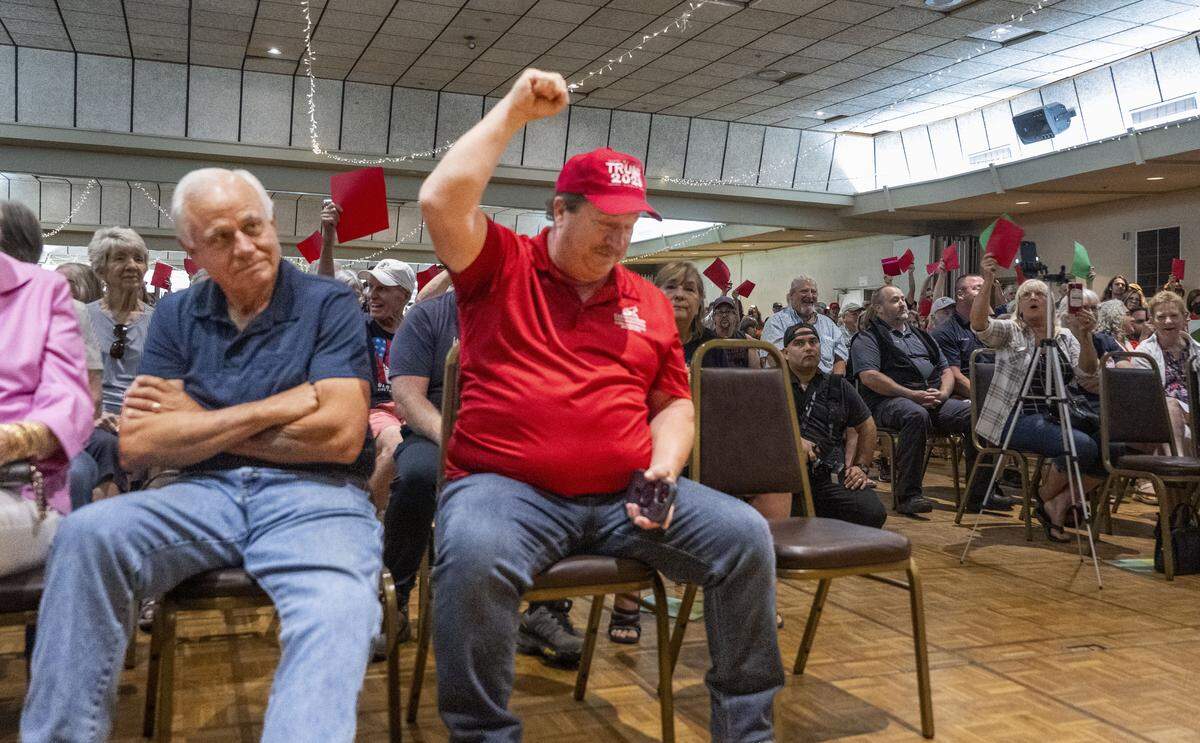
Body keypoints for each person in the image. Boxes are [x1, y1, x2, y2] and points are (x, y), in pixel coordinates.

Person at [418, 68, 782, 742]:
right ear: (560, 211)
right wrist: (512, 112)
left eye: (630, 226)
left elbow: (673, 402)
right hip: (505, 488)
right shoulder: (501, 265)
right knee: (470, 553)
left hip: (626, 491)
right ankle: (482, 733)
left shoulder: (646, 301)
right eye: (604, 224)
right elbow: (441, 200)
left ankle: (746, 729)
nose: (619, 242)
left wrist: (666, 468)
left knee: (745, 539)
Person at [21, 168, 383, 741]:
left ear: (272, 226)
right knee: (86, 535)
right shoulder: (176, 314)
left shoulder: (328, 302)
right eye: (220, 237)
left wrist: (195, 419)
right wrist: (275, 407)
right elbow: (139, 444)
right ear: (192, 251)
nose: (244, 247)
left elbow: (340, 435)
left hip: (318, 498)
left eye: (252, 226)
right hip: (198, 493)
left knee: (338, 605)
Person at [972, 254, 1101, 542]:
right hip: (1016, 418)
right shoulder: (1011, 330)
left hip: (1062, 414)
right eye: (1026, 294)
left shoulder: (1065, 336)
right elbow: (980, 325)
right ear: (1019, 304)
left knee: (1113, 448)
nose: (1033, 297)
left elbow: (1088, 375)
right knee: (1081, 446)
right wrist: (988, 281)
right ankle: (1044, 498)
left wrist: (1086, 335)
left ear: (1050, 303)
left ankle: (1053, 502)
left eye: (1039, 293)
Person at [0, 200, 92, 577]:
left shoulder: (42, 290)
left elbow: (71, 399)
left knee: (98, 458)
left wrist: (15, 439)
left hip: (14, 484)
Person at [852, 285, 1002, 514]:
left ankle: (980, 493)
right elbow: (870, 377)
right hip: (887, 401)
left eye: (903, 298)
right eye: (895, 300)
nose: (902, 303)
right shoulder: (868, 337)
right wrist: (911, 394)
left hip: (930, 397)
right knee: (915, 414)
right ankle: (908, 496)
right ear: (879, 309)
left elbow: (945, 369)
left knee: (977, 414)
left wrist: (942, 393)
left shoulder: (920, 335)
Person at [782, 323, 885, 528]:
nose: (808, 347)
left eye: (813, 342)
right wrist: (792, 440)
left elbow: (868, 426)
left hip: (827, 475)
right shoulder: (772, 384)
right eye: (799, 343)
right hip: (785, 476)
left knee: (872, 512)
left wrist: (861, 467)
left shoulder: (837, 385)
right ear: (785, 353)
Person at [79, 226, 154, 501]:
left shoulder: (159, 322)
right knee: (108, 444)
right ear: (101, 269)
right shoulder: (81, 317)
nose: (132, 265)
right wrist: (96, 416)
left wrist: (134, 418)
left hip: (143, 416)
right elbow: (69, 380)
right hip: (92, 417)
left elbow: (165, 382)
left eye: (138, 258)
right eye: (120, 258)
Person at [1132, 291, 1199, 458]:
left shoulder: (1197, 350)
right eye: (1161, 317)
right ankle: (1178, 463)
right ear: (1153, 321)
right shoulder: (1144, 353)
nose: (1168, 321)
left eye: (1174, 315)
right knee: (1170, 405)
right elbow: (1147, 399)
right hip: (1161, 415)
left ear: (1185, 317)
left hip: (1196, 411)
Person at [655, 262, 749, 368]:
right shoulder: (638, 340)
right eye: (671, 287)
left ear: (699, 302)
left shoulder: (711, 345)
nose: (679, 295)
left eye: (689, 289)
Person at [762, 275, 848, 374]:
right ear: (791, 296)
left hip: (827, 384)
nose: (810, 295)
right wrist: (812, 379)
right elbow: (775, 358)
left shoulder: (829, 324)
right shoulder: (776, 322)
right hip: (789, 383)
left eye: (813, 292)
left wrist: (835, 383)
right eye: (804, 291)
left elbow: (840, 358)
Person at [932, 274, 989, 399]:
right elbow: (955, 378)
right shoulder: (944, 332)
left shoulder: (994, 327)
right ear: (960, 295)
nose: (985, 293)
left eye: (986, 288)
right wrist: (987, 400)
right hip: (970, 395)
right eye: (978, 288)